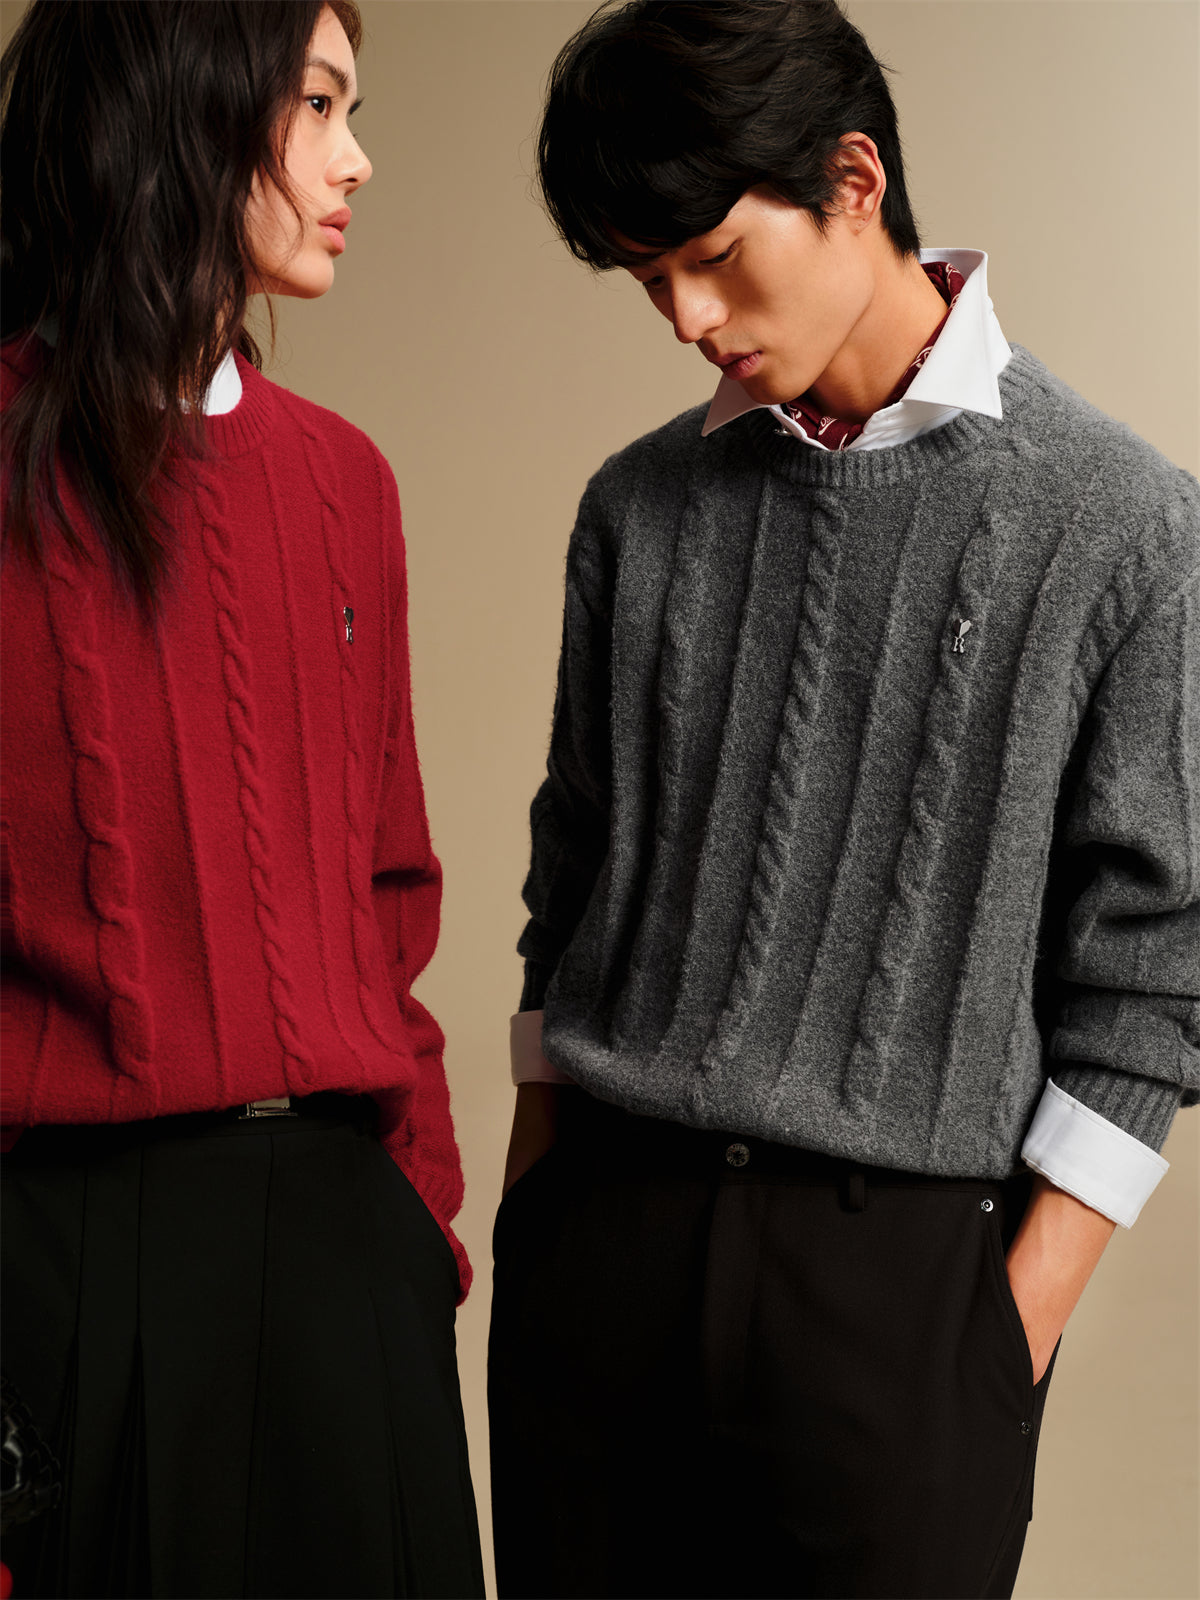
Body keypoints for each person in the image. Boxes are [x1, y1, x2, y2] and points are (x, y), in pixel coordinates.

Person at [487, 3, 1199, 1597]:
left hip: (905, 1289)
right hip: (605, 1254)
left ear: (854, 180)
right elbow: (571, 883)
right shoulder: (637, 508)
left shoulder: (1125, 526)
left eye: (714, 258)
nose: (687, 318)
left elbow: (1153, 975)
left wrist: (1005, 1328)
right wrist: (539, 1218)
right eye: (649, 280)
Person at [0, 3, 484, 1595]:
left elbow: (388, 892)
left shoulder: (347, 483)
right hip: (67, 1268)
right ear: (185, 107)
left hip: (350, 1259)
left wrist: (418, 1226)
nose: (357, 161)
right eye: (320, 105)